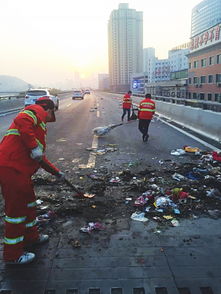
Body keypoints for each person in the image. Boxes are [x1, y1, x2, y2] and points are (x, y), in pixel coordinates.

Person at [0, 97, 65, 264]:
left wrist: (57, 173)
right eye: (52, 113)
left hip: (20, 171)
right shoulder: (36, 111)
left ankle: (31, 238)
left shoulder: (37, 126)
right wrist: (34, 146)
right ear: (49, 109)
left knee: (29, 204)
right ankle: (12, 256)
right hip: (12, 168)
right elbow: (21, 118)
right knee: (16, 213)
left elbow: (39, 158)